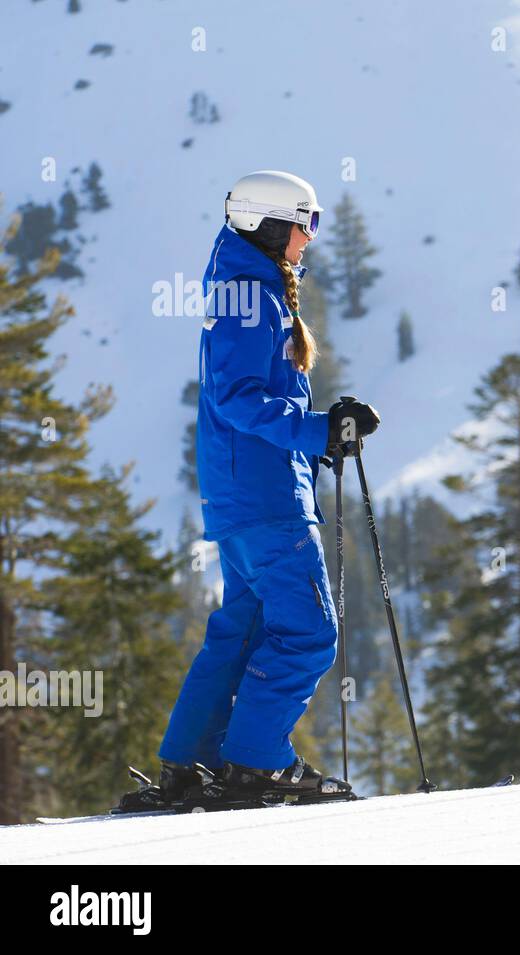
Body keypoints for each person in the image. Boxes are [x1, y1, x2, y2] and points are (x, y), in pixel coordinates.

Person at [151, 171, 380, 804]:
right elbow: (241, 398)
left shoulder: (246, 288)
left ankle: (191, 763)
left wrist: (319, 440)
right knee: (310, 632)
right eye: (306, 223)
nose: (311, 237)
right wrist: (316, 432)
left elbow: (249, 401)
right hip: (267, 501)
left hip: (245, 496)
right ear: (271, 224)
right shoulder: (250, 294)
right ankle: (255, 763)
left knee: (239, 632)